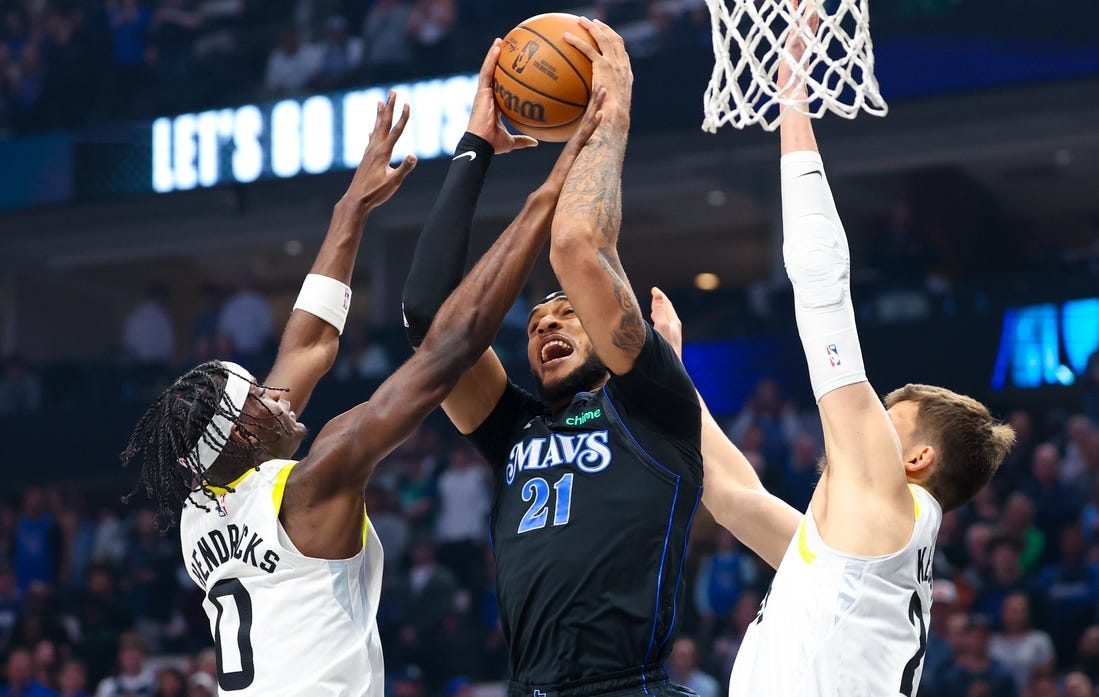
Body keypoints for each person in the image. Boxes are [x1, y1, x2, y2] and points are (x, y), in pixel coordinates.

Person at [119, 63, 605, 697]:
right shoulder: (317, 481)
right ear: (240, 436)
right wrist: (549, 191)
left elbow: (310, 342)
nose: (276, 394)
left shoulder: (197, 504)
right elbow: (450, 348)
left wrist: (353, 205)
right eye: (260, 400)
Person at [648, 3, 1015, 693]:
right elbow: (729, 495)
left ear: (914, 458)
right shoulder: (854, 548)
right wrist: (668, 370)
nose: (865, 415)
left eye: (885, 414)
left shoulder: (886, 503)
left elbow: (822, 294)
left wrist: (792, 93)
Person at [401, 18, 703, 696]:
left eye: (567, 310)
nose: (547, 323)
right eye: (536, 320)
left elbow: (576, 245)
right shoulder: (516, 428)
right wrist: (475, 141)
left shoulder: (653, 406)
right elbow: (428, 317)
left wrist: (612, 111)